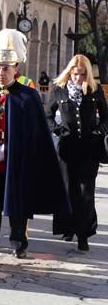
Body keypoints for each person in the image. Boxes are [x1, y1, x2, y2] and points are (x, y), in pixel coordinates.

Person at [0, 29, 68, 267]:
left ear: (16, 68)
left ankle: (19, 242)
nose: (1, 72)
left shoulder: (28, 97)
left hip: (16, 163)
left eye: (6, 68)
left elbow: (37, 134)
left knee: (17, 207)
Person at [48, 54, 107, 252]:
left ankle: (84, 234)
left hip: (89, 149)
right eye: (75, 74)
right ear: (69, 72)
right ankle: (68, 227)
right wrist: (57, 130)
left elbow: (106, 118)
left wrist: (99, 130)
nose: (78, 78)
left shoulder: (94, 90)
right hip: (66, 149)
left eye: (82, 74)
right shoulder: (59, 90)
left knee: (86, 193)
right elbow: (47, 116)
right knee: (68, 190)